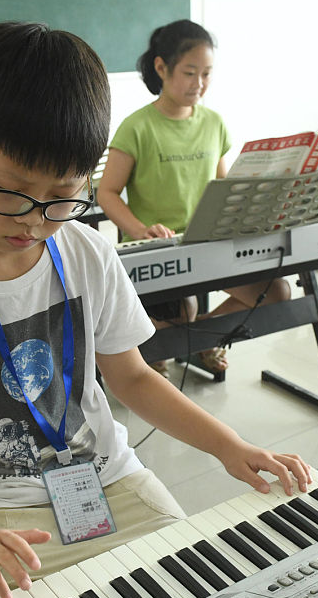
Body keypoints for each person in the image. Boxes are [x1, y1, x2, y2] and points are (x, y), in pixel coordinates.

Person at [0, 22, 311, 598]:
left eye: (64, 196)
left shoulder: (85, 249)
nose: (34, 221)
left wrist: (229, 446)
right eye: (11, 192)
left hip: (107, 481)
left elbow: (132, 376)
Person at [96, 20, 289, 376]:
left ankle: (201, 338)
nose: (198, 84)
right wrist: (139, 230)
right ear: (161, 68)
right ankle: (177, 338)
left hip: (207, 243)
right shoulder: (137, 126)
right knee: (176, 323)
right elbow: (106, 192)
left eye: (207, 74)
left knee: (277, 295)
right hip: (160, 250)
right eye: (189, 72)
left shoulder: (214, 123)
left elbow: (224, 189)